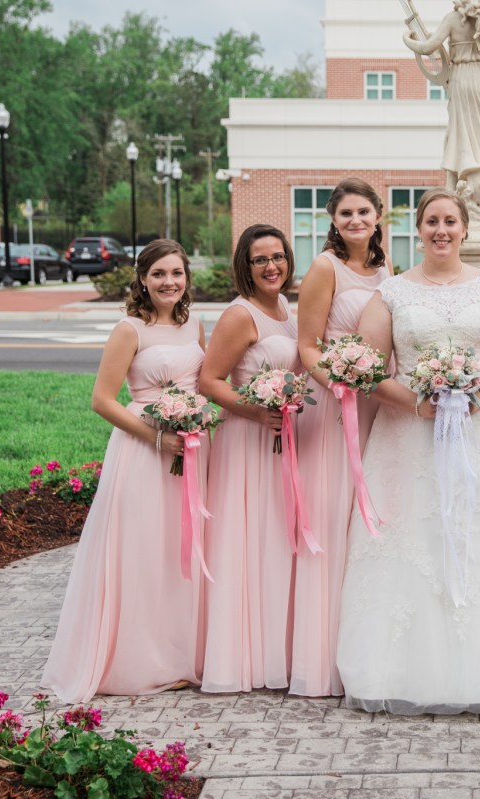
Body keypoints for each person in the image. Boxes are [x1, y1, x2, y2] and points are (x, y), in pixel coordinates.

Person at [336, 188, 480, 714]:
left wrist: (478, 397)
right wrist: (417, 403)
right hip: (408, 436)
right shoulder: (392, 293)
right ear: (418, 229)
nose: (441, 230)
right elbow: (366, 369)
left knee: (479, 535)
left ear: (465, 229)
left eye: (451, 221)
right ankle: (401, 670)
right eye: (432, 221)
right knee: (413, 540)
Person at [42, 239, 206, 703]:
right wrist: (156, 436)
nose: (169, 282)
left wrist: (199, 419)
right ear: (142, 280)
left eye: (176, 273)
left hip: (191, 448)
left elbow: (203, 384)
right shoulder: (129, 330)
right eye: (159, 274)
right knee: (143, 551)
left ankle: (181, 654)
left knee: (180, 550)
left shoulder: (195, 324)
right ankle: (140, 661)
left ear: (187, 277)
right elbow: (102, 400)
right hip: (143, 451)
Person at [293, 178, 392, 697]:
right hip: (339, 404)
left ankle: (366, 638)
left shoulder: (386, 268)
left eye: (364, 212)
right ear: (333, 219)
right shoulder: (324, 268)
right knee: (335, 514)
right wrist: (339, 383)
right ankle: (321, 653)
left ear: (378, 217)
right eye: (346, 213)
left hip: (381, 402)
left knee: (370, 515)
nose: (356, 220)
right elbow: (308, 346)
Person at [198, 225, 299, 693]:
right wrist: (256, 411)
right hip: (246, 440)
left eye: (278, 257)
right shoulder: (241, 314)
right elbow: (210, 381)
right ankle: (240, 654)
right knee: (246, 541)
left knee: (274, 540)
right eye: (260, 259)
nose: (271, 266)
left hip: (280, 439)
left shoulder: (286, 309)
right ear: (245, 265)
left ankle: (275, 647)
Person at [404, 0, 480, 222]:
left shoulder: (453, 19)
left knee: (460, 135)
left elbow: (427, 48)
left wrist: (407, 39)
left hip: (462, 78)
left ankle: (464, 188)